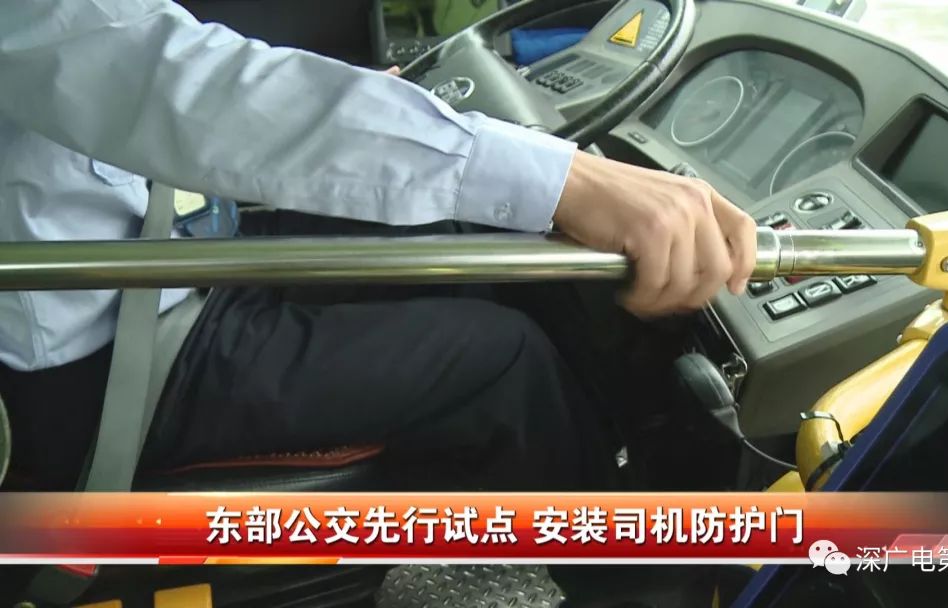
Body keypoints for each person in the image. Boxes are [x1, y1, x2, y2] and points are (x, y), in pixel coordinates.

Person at [0, 0, 755, 604]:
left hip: (155, 252)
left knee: (468, 244)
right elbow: (168, 82)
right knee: (502, 363)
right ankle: (637, 586)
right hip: (96, 359)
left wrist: (372, 106)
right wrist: (567, 180)